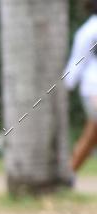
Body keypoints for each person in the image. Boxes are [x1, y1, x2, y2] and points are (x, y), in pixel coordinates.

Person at [64, 0, 97, 172]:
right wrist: (66, 88)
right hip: (93, 89)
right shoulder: (89, 31)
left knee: (91, 137)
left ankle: (68, 173)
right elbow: (76, 62)